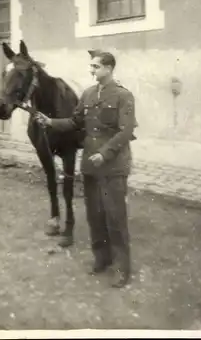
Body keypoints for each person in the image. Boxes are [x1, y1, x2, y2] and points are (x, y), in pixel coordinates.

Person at [35, 51, 138, 288]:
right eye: (91, 66)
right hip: (91, 166)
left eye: (96, 66)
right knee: (94, 215)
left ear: (109, 68)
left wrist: (105, 153)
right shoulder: (89, 94)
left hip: (113, 166)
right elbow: (74, 122)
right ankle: (102, 258)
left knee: (115, 216)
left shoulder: (124, 95)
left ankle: (122, 268)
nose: (91, 70)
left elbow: (126, 131)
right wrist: (50, 122)